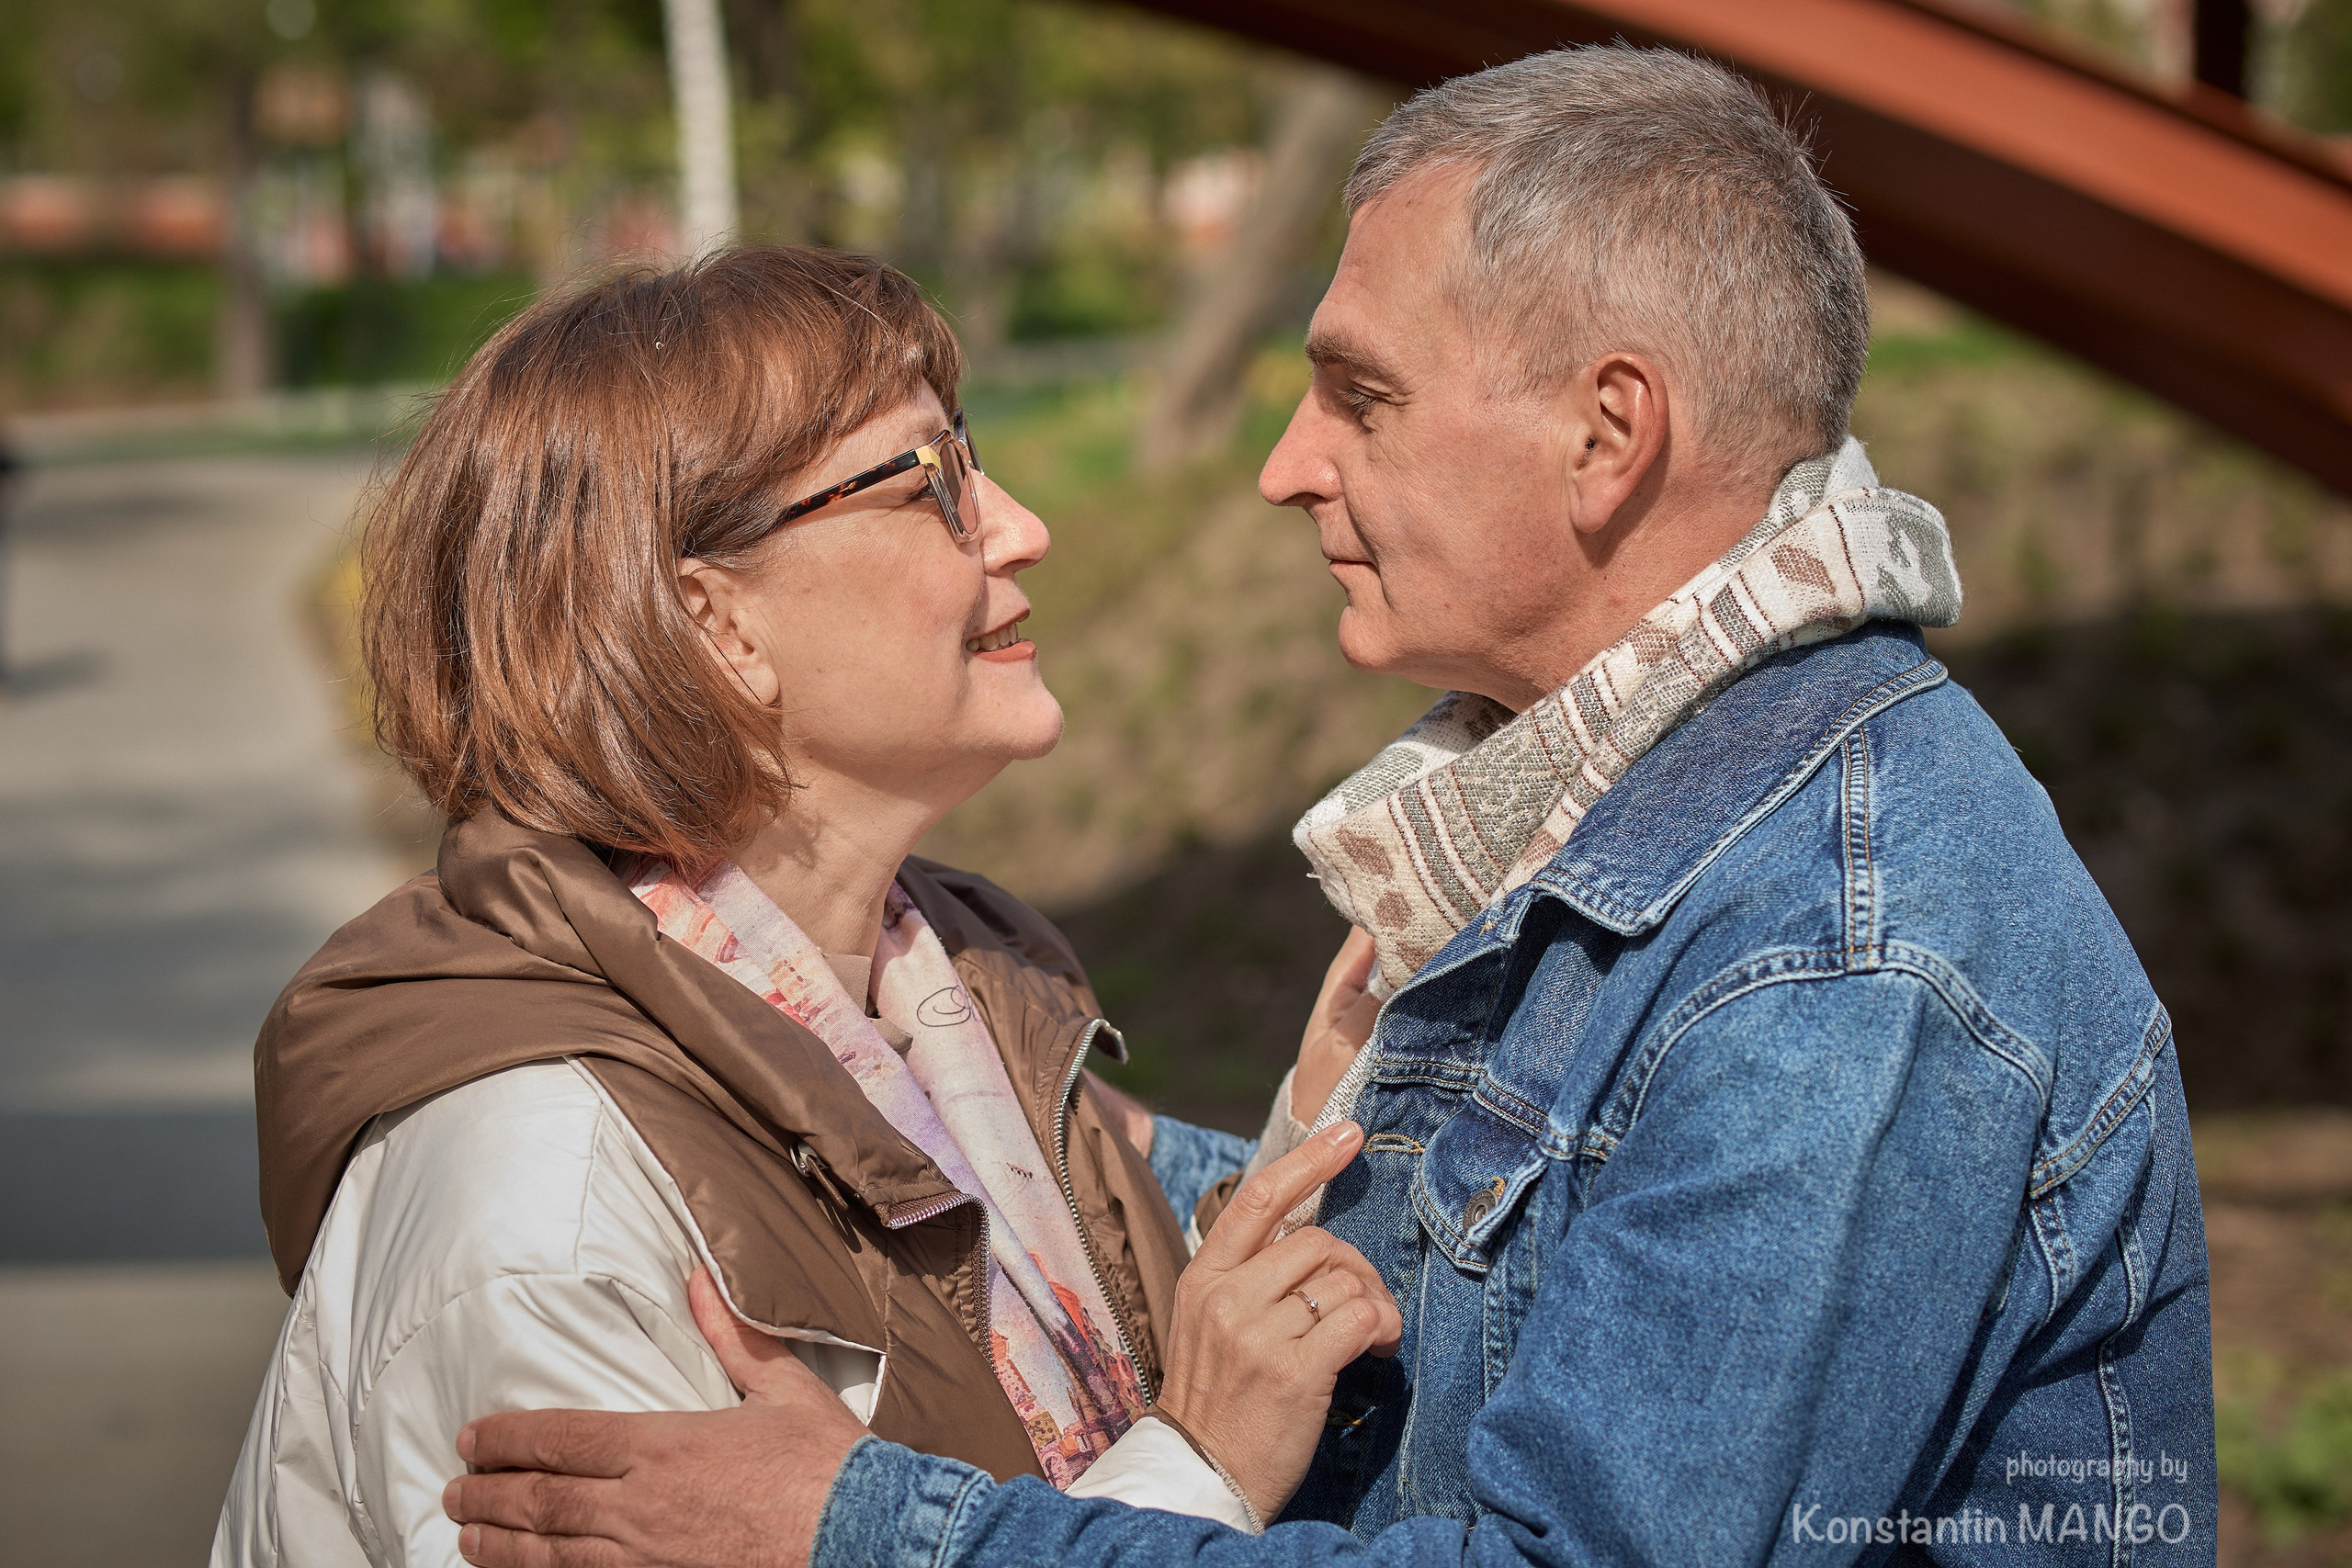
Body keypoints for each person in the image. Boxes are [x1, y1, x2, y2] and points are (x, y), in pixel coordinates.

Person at [442, 44, 2218, 1568]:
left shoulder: (1838, 956)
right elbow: (1500, 1284)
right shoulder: (1628, 813)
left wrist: (861, 1529)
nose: (1289, 465)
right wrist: (1055, 1156)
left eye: (1360, 395)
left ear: (1611, 434)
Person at [210, 245, 1403, 1568]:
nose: (1022, 526)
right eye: (933, 481)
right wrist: (1199, 1467)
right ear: (711, 620)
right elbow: (1203, 1422)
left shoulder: (968, 1018)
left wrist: (1316, 1136)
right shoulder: (551, 1212)